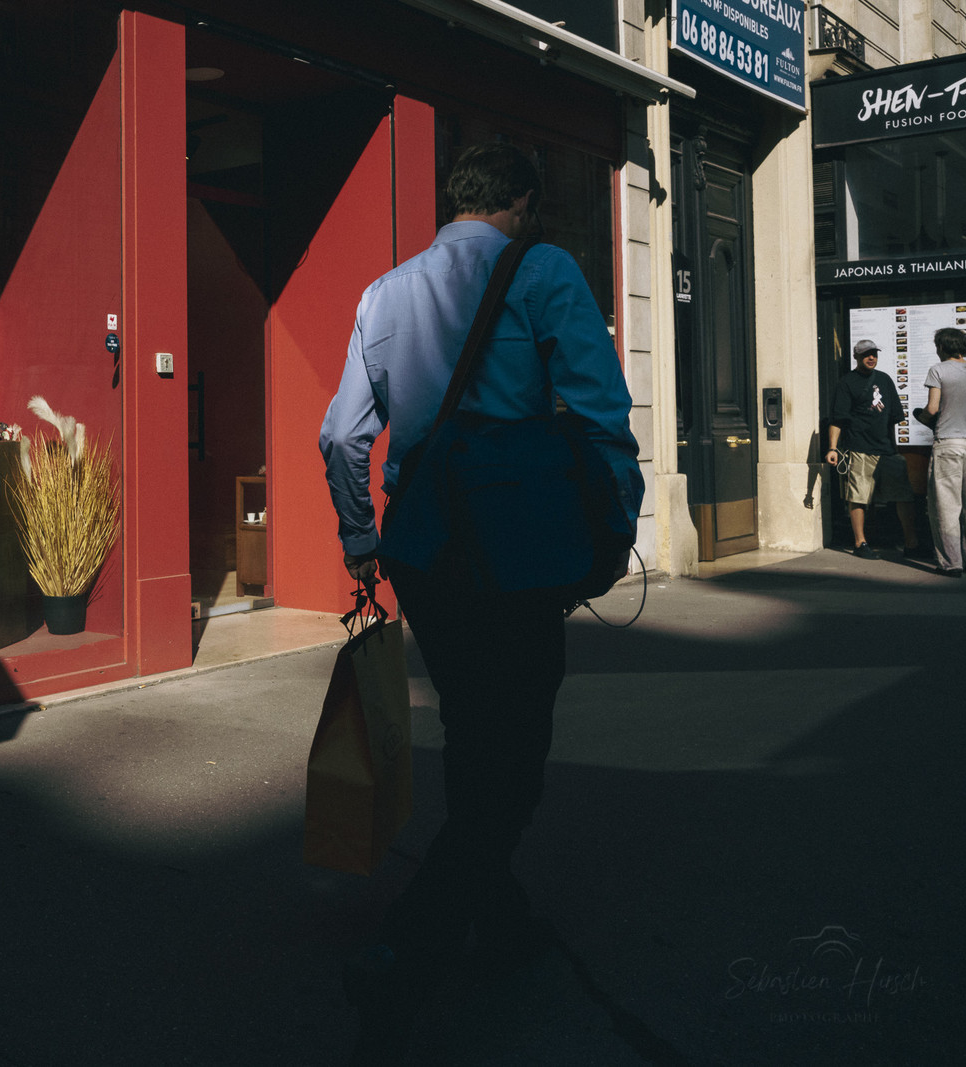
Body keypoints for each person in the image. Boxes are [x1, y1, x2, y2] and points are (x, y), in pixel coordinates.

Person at [319, 143, 642, 1063]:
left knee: (472, 724)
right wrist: (614, 527)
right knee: (519, 755)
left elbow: (343, 435)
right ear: (523, 201)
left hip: (425, 548)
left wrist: (361, 542)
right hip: (518, 545)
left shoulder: (383, 293)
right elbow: (597, 409)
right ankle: (407, 953)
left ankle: (499, 922)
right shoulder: (543, 269)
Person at [826, 339, 920, 560]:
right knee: (858, 496)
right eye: (866, 354)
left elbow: (894, 417)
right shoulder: (847, 383)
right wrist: (833, 448)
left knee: (903, 496)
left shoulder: (885, 379)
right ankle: (860, 542)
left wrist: (894, 448)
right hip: (859, 447)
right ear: (856, 356)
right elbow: (838, 419)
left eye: (874, 354)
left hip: (887, 449)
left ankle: (912, 543)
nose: (871, 357)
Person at [922, 327, 966, 576]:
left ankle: (951, 563)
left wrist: (920, 416)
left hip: (948, 442)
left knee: (947, 506)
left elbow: (932, 408)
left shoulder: (938, 370)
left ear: (941, 347)